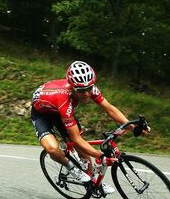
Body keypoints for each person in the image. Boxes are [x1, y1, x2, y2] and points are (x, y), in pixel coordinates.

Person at [31, 61, 146, 194]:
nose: (86, 94)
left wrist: (132, 126)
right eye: (81, 91)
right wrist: (100, 156)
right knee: (52, 148)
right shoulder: (64, 99)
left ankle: (93, 184)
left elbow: (110, 109)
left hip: (60, 111)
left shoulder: (89, 88)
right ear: (73, 88)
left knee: (82, 147)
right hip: (42, 114)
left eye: (89, 88)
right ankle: (73, 169)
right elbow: (76, 139)